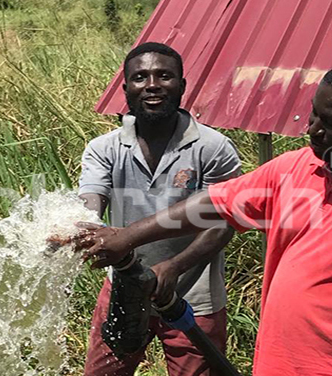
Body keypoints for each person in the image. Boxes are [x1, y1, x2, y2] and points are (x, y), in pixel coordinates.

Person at [79, 58, 332, 375]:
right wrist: (127, 237)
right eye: (313, 114)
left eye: (330, 123)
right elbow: (215, 203)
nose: (312, 130)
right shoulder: (295, 168)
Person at [78, 42, 241, 376]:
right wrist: (77, 225)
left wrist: (175, 267)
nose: (152, 84)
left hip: (194, 294)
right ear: (126, 89)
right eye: (140, 77)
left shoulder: (213, 148)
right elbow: (91, 200)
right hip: (123, 289)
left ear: (182, 86)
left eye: (164, 76)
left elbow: (223, 221)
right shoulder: (104, 149)